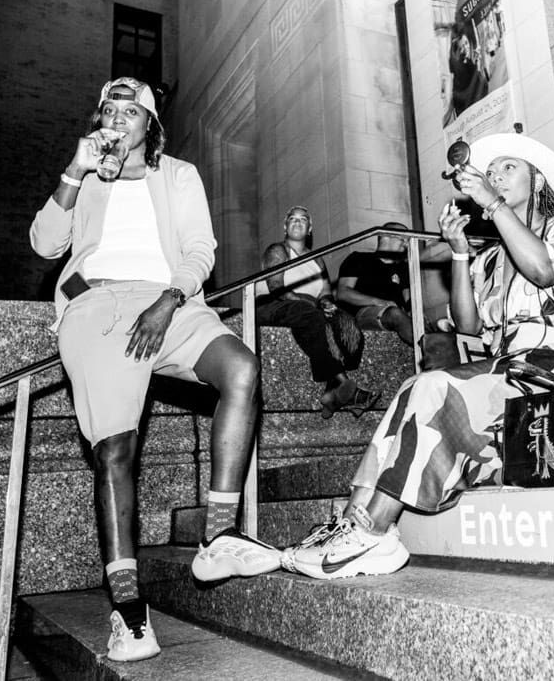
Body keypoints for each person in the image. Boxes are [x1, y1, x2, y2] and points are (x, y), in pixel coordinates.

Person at [283, 132, 554, 579]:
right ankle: (353, 521)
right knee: (413, 386)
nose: (496, 176)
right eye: (491, 172)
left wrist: (492, 205)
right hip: (508, 372)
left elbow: (541, 269)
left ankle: (374, 531)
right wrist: (459, 255)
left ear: (537, 181)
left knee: (437, 386)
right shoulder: (490, 256)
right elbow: (469, 324)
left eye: (508, 168)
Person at [30, 77, 279, 663]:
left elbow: (200, 249)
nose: (116, 119)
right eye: (108, 110)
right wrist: (73, 170)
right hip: (97, 306)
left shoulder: (178, 174)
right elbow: (44, 245)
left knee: (241, 369)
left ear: (150, 125)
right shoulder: (87, 178)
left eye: (128, 111)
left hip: (170, 301)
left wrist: (169, 302)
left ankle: (217, 537)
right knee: (116, 451)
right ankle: (129, 614)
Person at [257, 206, 380, 418]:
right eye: (292, 219)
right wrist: (314, 306)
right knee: (309, 314)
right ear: (285, 226)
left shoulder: (317, 258)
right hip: (271, 305)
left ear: (310, 228)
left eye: (303, 219)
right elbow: (277, 288)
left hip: (307, 310)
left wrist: (326, 303)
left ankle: (332, 393)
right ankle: (346, 388)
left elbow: (325, 290)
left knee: (347, 323)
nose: (297, 222)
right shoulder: (277, 251)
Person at [335, 222, 414, 347]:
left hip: (396, 316)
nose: (406, 244)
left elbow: (408, 296)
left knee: (421, 319)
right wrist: (380, 302)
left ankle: (439, 355)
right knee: (394, 313)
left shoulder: (402, 268)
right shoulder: (358, 259)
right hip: (363, 314)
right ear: (384, 236)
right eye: (403, 238)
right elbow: (343, 292)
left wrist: (414, 312)